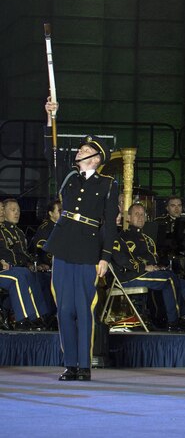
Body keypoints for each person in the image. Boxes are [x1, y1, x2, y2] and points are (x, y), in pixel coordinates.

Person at [43, 99, 119, 381]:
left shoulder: (107, 185)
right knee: (64, 307)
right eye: (81, 148)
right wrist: (51, 118)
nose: (80, 151)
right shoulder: (69, 177)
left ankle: (84, 365)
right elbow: (49, 152)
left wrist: (105, 256)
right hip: (63, 245)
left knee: (84, 309)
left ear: (97, 158)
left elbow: (109, 225)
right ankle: (70, 364)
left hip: (88, 249)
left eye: (86, 150)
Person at [110, 202, 185, 331]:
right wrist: (144, 267)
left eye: (143, 214)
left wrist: (157, 267)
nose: (140, 217)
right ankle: (175, 322)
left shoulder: (148, 240)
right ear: (128, 218)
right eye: (136, 214)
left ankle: (164, 318)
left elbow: (153, 259)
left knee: (183, 284)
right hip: (128, 276)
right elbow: (120, 260)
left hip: (146, 274)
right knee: (168, 279)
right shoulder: (120, 237)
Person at [0, 198, 48, 329]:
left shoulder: (17, 232)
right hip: (4, 270)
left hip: (11, 269)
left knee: (32, 274)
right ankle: (22, 318)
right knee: (19, 276)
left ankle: (39, 316)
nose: (1, 212)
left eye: (2, 209)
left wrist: (33, 263)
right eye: (12, 210)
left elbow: (22, 255)